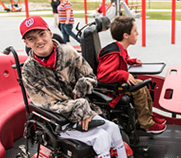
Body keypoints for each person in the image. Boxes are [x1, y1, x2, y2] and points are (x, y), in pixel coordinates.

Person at [19, 16, 127, 158]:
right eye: (31, 38)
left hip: (82, 112)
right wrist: (77, 105)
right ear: (26, 42)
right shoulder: (29, 71)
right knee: (101, 137)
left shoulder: (68, 52)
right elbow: (46, 104)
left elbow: (90, 76)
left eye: (42, 34)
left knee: (113, 128)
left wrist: (83, 85)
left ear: (50, 33)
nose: (39, 41)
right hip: (58, 122)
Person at [96, 16, 167, 134]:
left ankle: (148, 116)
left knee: (143, 86)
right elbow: (102, 76)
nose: (137, 33)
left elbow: (123, 59)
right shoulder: (114, 54)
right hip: (113, 90)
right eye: (135, 31)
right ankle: (146, 124)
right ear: (126, 35)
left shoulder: (120, 48)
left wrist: (131, 61)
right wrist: (123, 74)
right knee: (139, 90)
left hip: (119, 84)